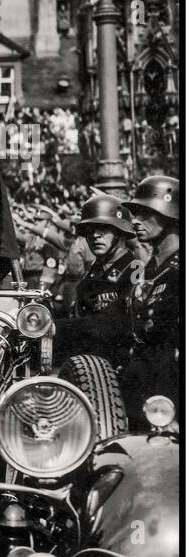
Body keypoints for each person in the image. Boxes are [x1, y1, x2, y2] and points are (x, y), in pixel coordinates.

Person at [53, 194, 138, 362]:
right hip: (86, 359)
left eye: (103, 229)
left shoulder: (135, 270)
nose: (95, 236)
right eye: (90, 230)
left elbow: (114, 322)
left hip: (116, 362)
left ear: (120, 233)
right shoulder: (94, 269)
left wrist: (57, 327)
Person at [122, 175, 180, 417]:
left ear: (170, 216)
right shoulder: (153, 267)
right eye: (135, 214)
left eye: (145, 214)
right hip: (146, 383)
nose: (136, 222)